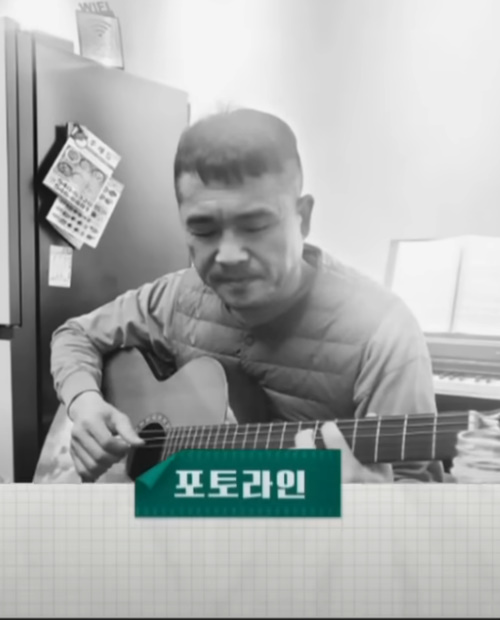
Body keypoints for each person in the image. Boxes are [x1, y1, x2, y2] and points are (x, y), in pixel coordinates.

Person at [50, 107, 444, 484]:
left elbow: (418, 495)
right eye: (203, 230)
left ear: (303, 218)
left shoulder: (384, 331)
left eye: (255, 225)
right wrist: (85, 403)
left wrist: (367, 502)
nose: (228, 255)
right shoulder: (178, 296)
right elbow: (74, 335)